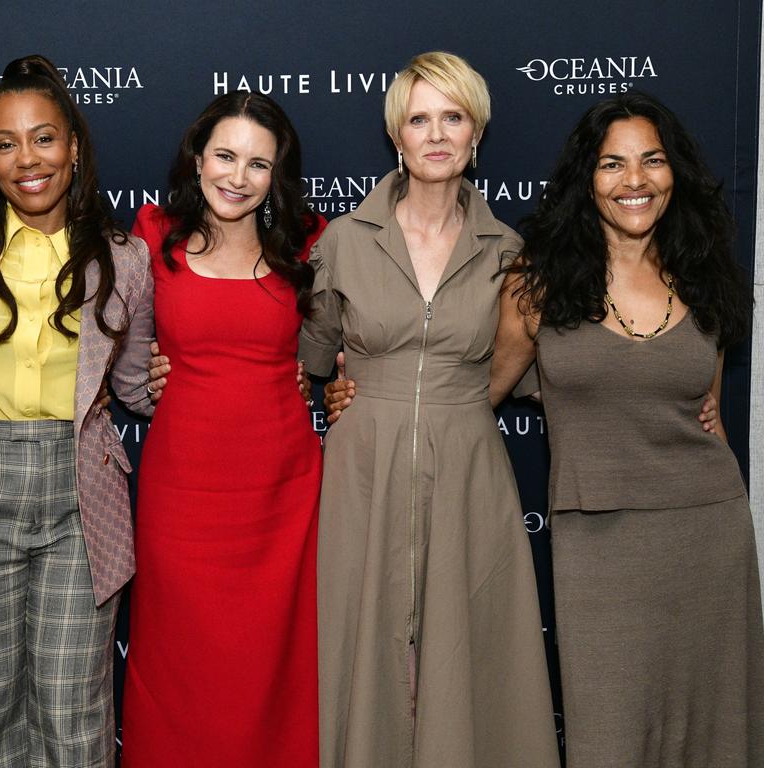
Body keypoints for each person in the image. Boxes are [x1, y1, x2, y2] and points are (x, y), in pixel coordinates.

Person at [297, 52, 560, 767]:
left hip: (470, 466)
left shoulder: (510, 253)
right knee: (360, 646)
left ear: (476, 135)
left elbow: (550, 370)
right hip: (362, 469)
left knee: (468, 652)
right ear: (397, 137)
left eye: (453, 117)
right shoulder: (344, 243)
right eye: (419, 118)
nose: (436, 134)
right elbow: (304, 362)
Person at [489, 92, 763, 768]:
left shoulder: (705, 276)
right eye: (613, 164)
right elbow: (473, 394)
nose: (634, 181)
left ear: (676, 174)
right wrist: (363, 394)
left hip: (710, 536)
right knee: (608, 733)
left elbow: (710, 416)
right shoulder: (537, 284)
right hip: (599, 543)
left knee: (718, 732)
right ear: (587, 179)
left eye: (652, 161)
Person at [0, 55, 153, 768]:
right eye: (6, 143)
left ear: (74, 146)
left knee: (72, 711)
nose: (29, 159)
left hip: (80, 498)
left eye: (44, 137)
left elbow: (141, 384)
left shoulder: (126, 259)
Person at [121, 91, 325, 767]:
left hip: (283, 491)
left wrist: (332, 378)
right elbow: (119, 353)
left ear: (277, 175)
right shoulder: (153, 236)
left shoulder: (309, 243)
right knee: (183, 665)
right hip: (183, 495)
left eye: (258, 164)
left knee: (278, 662)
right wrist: (145, 378)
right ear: (198, 158)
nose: (238, 177)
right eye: (226, 156)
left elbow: (351, 344)